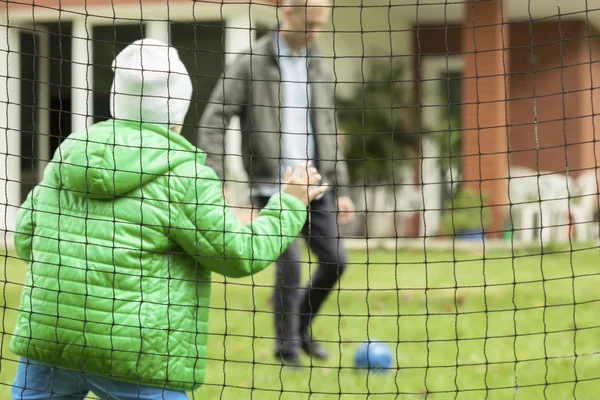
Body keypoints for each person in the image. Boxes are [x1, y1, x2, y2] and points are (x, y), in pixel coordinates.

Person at [10, 38, 327, 400]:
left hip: (50, 341)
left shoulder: (68, 154)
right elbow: (240, 254)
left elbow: (26, 237)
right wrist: (289, 203)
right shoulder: (186, 176)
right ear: (178, 112)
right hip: (139, 354)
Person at [198, 0, 355, 366]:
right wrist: (215, 175)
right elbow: (214, 118)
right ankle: (286, 349)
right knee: (291, 266)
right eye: (310, 23)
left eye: (321, 24)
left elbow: (329, 131)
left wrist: (342, 188)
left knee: (335, 261)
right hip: (273, 186)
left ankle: (299, 329)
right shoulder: (251, 61)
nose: (316, 32)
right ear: (287, 14)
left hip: (315, 183)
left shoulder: (319, 66)